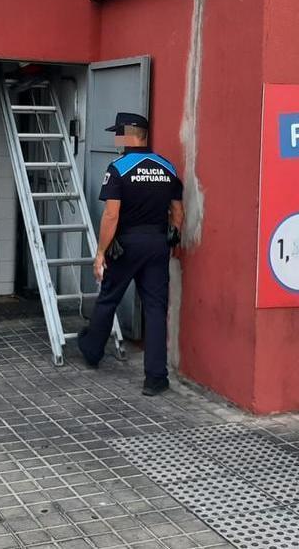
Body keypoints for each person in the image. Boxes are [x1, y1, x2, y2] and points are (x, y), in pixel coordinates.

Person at [77, 112, 184, 396]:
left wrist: (100, 252)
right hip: (157, 244)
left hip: (126, 243)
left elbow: (111, 215)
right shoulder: (167, 167)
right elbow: (177, 212)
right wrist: (171, 239)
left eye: (118, 133)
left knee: (109, 296)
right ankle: (155, 378)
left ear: (128, 134)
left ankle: (91, 350)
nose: (116, 139)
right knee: (155, 308)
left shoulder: (119, 168)